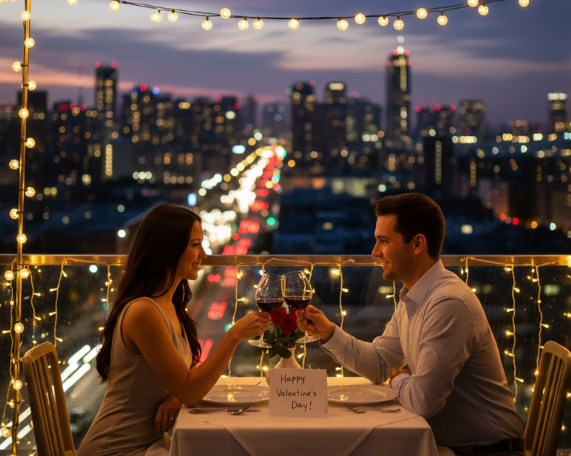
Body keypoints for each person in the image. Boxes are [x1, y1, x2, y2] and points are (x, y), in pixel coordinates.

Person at [297, 193, 525, 456]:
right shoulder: (414, 295)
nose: (374, 252)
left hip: (488, 451)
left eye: (383, 241)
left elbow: (422, 401)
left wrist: (399, 378)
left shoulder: (448, 303)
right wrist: (327, 332)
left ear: (417, 244)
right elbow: (382, 363)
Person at [78, 204, 270, 456]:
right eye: (195, 245)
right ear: (167, 249)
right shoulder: (144, 311)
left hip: (149, 445)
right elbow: (191, 391)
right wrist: (233, 336)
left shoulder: (169, 304)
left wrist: (176, 395)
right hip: (117, 449)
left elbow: (183, 383)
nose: (204, 253)